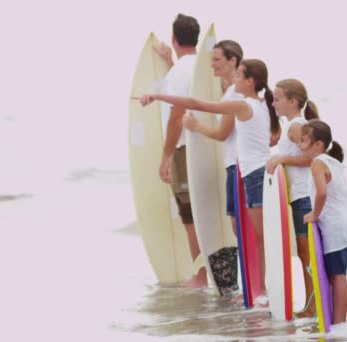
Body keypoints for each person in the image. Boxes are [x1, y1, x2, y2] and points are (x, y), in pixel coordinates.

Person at [141, 58, 281, 302]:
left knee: (258, 238)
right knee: (255, 237)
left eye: (239, 75)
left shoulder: (243, 105)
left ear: (250, 82)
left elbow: (196, 103)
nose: (234, 79)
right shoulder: (261, 104)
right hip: (257, 175)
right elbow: (273, 138)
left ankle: (264, 292)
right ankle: (259, 291)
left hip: (256, 177)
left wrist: (159, 97)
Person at [181, 39, 244, 293]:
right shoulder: (230, 90)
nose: (212, 65)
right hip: (234, 165)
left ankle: (251, 288)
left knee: (239, 228)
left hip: (237, 167)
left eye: (217, 59)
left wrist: (196, 127)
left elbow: (222, 133)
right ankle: (246, 287)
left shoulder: (235, 94)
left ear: (233, 61)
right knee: (236, 227)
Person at [154, 13, 207, 287]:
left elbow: (177, 116)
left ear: (174, 38)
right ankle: (210, 270)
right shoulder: (205, 65)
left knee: (190, 213)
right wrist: (169, 62)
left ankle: (200, 275)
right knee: (208, 209)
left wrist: (165, 156)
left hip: (185, 150)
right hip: (209, 146)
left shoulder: (178, 73)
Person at [301, 119, 347, 326]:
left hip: (335, 229)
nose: (300, 146)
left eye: (303, 141)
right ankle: (339, 322)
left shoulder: (318, 162)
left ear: (317, 144)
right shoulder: (333, 162)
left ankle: (338, 323)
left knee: (337, 276)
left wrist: (314, 214)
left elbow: (322, 192)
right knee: (338, 275)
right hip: (344, 227)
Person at [266, 79, 319, 317]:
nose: (274, 103)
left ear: (292, 101)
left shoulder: (296, 125)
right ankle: (312, 304)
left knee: (307, 254)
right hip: (299, 198)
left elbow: (313, 157)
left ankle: (313, 306)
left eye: (277, 99)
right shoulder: (293, 126)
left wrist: (282, 159)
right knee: (305, 253)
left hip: (303, 198)